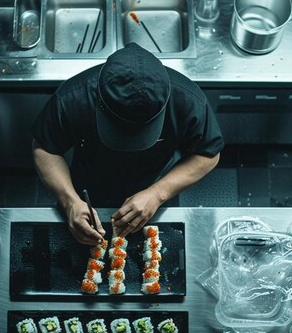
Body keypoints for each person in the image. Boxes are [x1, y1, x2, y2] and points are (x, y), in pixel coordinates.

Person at [31, 43, 224, 244]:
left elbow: (208, 153)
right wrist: (69, 201)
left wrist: (158, 194)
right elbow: (45, 148)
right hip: (87, 188)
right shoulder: (73, 97)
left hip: (157, 183)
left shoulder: (189, 100)